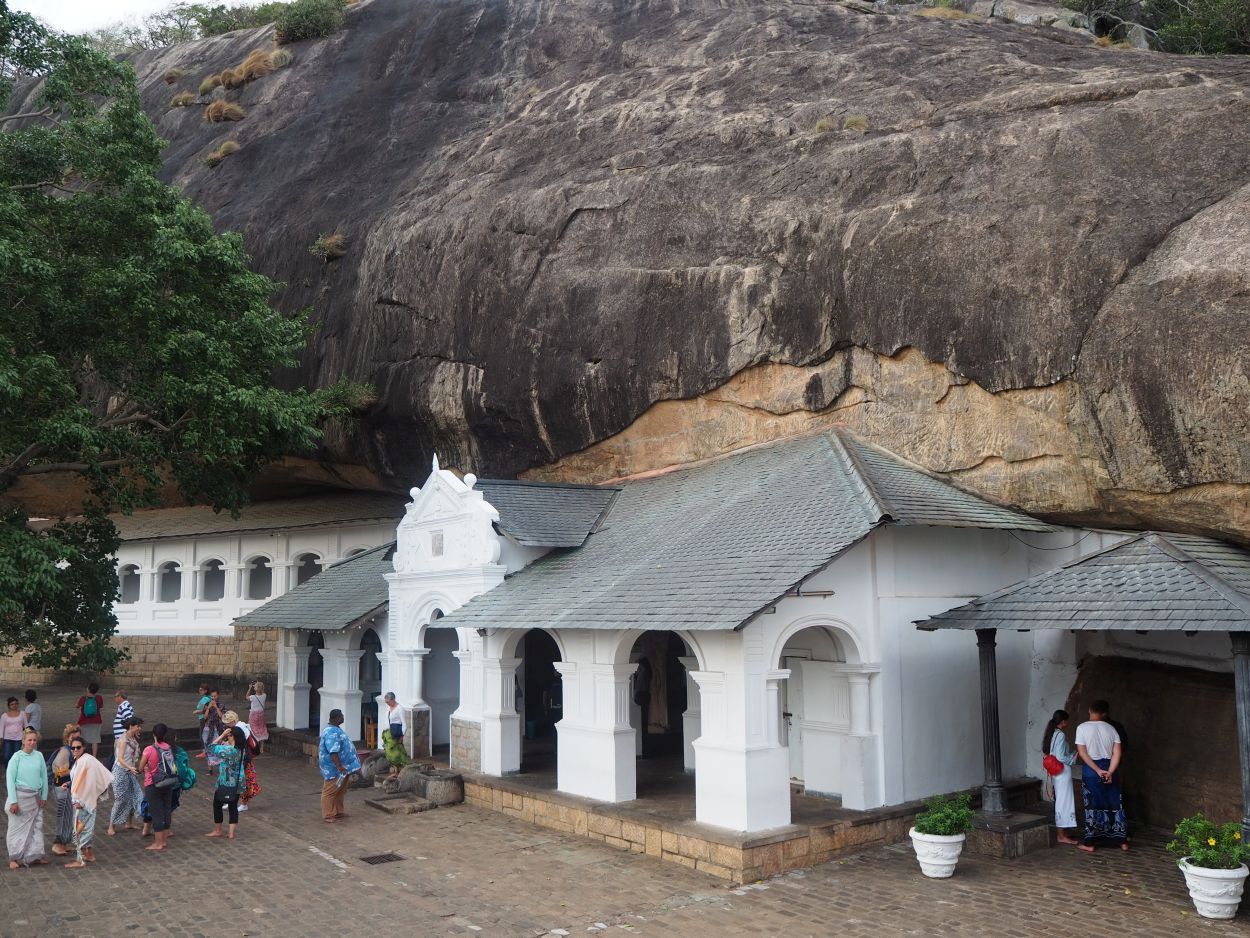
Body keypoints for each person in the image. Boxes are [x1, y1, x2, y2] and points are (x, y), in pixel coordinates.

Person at [1075, 699, 1128, 853]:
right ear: (1105, 713)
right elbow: (1117, 753)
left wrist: (1098, 770)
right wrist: (1110, 771)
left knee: (1092, 805)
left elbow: (1082, 753)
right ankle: (1122, 841)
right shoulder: (1111, 729)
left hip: (1092, 771)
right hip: (1111, 769)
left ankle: (1090, 843)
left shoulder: (1082, 728)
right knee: (1115, 805)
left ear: (1089, 710)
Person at [5, 728, 48, 869]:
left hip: (35, 798)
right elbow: (10, 780)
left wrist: (44, 796)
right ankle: (14, 857)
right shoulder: (16, 758)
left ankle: (35, 855)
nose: (32, 742)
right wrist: (13, 801)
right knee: (16, 829)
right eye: (29, 740)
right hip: (20, 798)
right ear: (23, 741)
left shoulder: (39, 756)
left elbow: (44, 777)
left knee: (36, 827)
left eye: (34, 740)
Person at [64, 743, 112, 869]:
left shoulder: (85, 761)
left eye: (78, 747)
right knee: (86, 828)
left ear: (84, 747)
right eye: (72, 748)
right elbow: (81, 780)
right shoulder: (83, 760)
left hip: (83, 801)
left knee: (79, 830)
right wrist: (69, 784)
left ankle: (80, 860)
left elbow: (86, 781)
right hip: (86, 800)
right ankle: (89, 854)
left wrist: (78, 799)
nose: (75, 750)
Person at [1042, 709, 1079, 846]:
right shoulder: (1061, 735)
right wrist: (1075, 755)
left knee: (1061, 801)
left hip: (1056, 772)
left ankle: (1064, 831)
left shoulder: (1051, 733)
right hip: (1062, 772)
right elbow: (1062, 757)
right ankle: (1061, 835)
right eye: (1066, 721)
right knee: (1064, 802)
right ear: (1063, 722)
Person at [318, 709, 360, 824]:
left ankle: (338, 811)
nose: (343, 717)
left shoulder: (336, 730)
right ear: (336, 718)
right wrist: (339, 766)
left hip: (343, 768)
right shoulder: (331, 732)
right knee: (330, 791)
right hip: (335, 769)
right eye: (341, 716)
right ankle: (328, 814)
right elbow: (333, 752)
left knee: (340, 790)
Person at [139, 723, 176, 852]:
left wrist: (145, 767)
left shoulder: (149, 749)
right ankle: (164, 840)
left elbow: (140, 766)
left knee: (156, 812)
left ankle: (158, 843)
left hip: (153, 783)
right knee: (166, 809)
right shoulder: (168, 747)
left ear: (153, 734)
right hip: (168, 781)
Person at [205, 726, 247, 839]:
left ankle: (218, 830)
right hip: (238, 781)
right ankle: (231, 833)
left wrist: (222, 736)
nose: (227, 736)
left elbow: (210, 747)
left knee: (217, 804)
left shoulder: (229, 750)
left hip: (226, 781)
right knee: (233, 806)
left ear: (232, 736)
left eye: (229, 735)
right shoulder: (241, 749)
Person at [107, 717, 144, 836]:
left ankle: (129, 822)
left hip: (130, 771)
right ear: (131, 726)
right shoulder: (123, 740)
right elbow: (120, 758)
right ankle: (111, 826)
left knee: (134, 796)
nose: (140, 728)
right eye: (138, 726)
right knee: (121, 799)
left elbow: (134, 756)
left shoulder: (133, 738)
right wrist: (130, 768)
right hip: (120, 771)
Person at [48, 725, 80, 856]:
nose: (77, 740)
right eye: (74, 737)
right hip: (61, 787)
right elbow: (59, 771)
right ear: (68, 738)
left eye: (79, 737)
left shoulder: (72, 750)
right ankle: (58, 844)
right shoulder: (65, 751)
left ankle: (64, 843)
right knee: (64, 815)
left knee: (68, 815)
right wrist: (75, 771)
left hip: (67, 787)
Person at [222, 711, 259, 811]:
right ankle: (232, 802)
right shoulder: (241, 727)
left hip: (242, 760)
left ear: (233, 721)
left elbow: (239, 745)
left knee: (243, 782)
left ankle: (243, 803)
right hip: (240, 759)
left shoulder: (239, 729)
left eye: (227, 722)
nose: (226, 724)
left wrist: (228, 744)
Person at [76, 682, 104, 757]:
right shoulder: (99, 698)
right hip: (96, 721)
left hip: (84, 722)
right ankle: (94, 757)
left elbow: (77, 706)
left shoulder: (83, 698)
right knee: (94, 741)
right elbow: (101, 706)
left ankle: (82, 755)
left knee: (82, 740)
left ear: (88, 689)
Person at [201, 689, 224, 774]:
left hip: (217, 729)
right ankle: (210, 770)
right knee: (208, 748)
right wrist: (208, 708)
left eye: (215, 696)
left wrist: (216, 708)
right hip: (207, 730)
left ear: (218, 696)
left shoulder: (221, 705)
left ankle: (221, 768)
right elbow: (204, 718)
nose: (213, 698)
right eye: (212, 696)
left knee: (218, 748)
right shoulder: (207, 704)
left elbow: (222, 717)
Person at [0, 698, 24, 765]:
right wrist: (1, 739)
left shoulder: (22, 714)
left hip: (18, 738)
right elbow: (1, 728)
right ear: (8, 706)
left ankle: (15, 771)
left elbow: (26, 726)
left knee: (16, 756)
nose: (14, 705)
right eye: (12, 704)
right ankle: (8, 769)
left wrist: (29, 735)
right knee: (6, 756)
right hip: (7, 739)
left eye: (16, 703)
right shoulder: (4, 715)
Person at [247, 682, 269, 754]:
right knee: (261, 729)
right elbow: (262, 692)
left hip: (254, 715)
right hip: (261, 715)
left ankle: (255, 746)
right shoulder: (264, 695)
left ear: (255, 689)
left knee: (253, 729)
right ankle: (261, 748)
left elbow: (246, 696)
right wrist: (259, 686)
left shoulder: (253, 697)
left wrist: (250, 688)